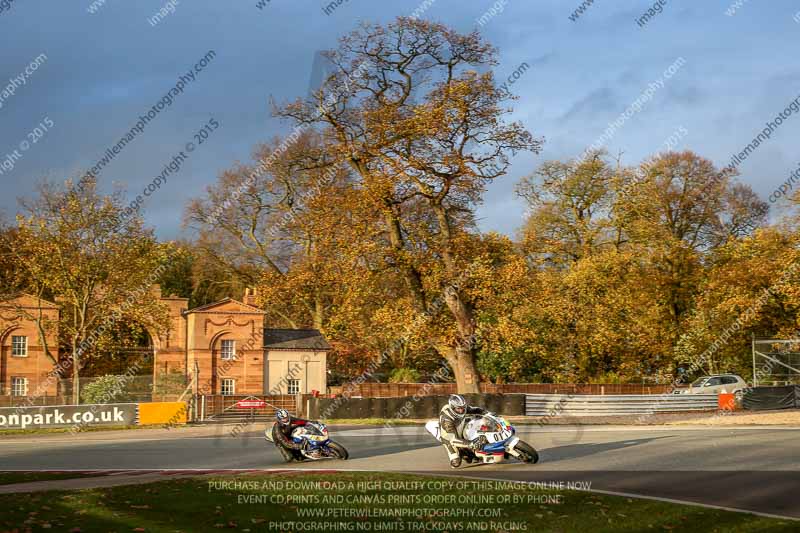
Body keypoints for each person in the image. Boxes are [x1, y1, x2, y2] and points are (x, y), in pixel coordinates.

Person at [438, 394, 487, 468]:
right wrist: (471, 444)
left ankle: (470, 453)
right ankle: (461, 453)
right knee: (455, 463)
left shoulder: (462, 408)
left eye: (463, 408)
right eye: (458, 408)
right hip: (449, 438)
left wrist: (487, 413)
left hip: (460, 429)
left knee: (474, 456)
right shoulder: (446, 419)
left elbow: (474, 409)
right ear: (452, 407)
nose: (461, 411)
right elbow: (453, 440)